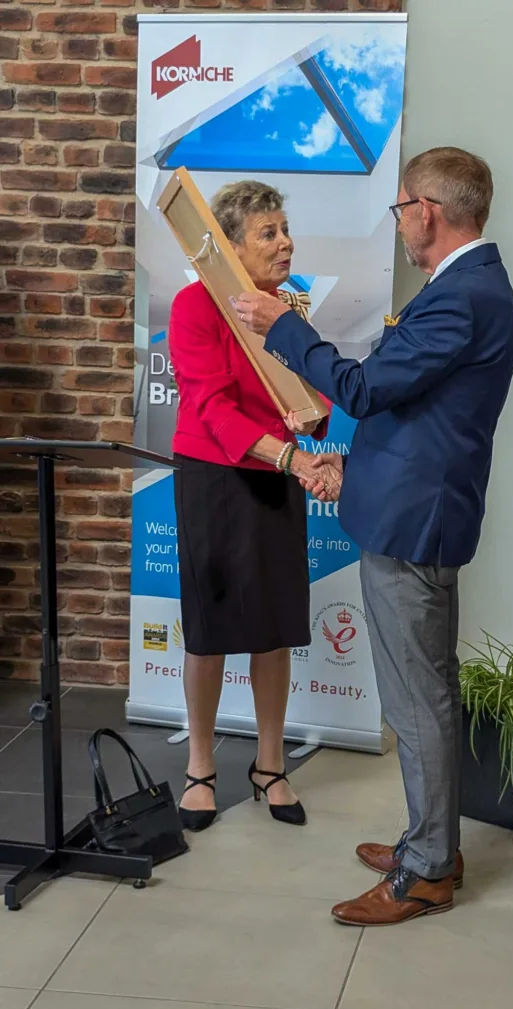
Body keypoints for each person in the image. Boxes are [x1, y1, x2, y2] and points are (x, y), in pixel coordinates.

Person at [236, 146, 513, 925]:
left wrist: (284, 327)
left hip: (413, 523)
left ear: (427, 210)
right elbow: (404, 405)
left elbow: (369, 383)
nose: (397, 220)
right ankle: (430, 844)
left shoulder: (463, 295)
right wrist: (335, 429)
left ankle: (428, 870)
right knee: (417, 694)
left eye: (400, 207)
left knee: (418, 701)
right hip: (405, 506)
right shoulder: (461, 289)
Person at [169, 180, 337, 832]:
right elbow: (209, 410)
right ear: (232, 247)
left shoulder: (285, 310)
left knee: (273, 627)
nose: (285, 242)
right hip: (213, 478)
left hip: (274, 478)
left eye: (285, 229)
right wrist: (294, 457)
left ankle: (270, 766)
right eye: (269, 232)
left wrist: (313, 432)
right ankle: (201, 768)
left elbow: (311, 403)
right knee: (209, 632)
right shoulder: (192, 306)